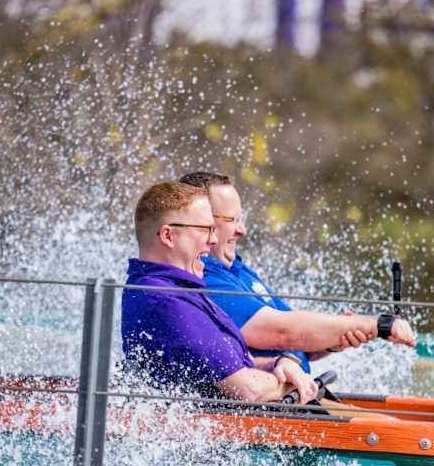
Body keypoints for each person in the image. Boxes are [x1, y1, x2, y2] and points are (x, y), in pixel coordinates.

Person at [178, 171, 416, 370]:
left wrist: (334, 340)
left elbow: (297, 341)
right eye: (231, 219)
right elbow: (283, 332)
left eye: (242, 218)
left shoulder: (234, 266)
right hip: (275, 412)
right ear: (203, 221)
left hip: (297, 399)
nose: (243, 230)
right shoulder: (205, 278)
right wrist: (375, 324)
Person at [121, 181, 319, 404]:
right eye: (205, 229)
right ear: (168, 236)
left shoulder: (178, 290)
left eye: (213, 229)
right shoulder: (167, 302)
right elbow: (248, 389)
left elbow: (243, 364)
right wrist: (290, 384)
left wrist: (284, 362)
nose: (213, 239)